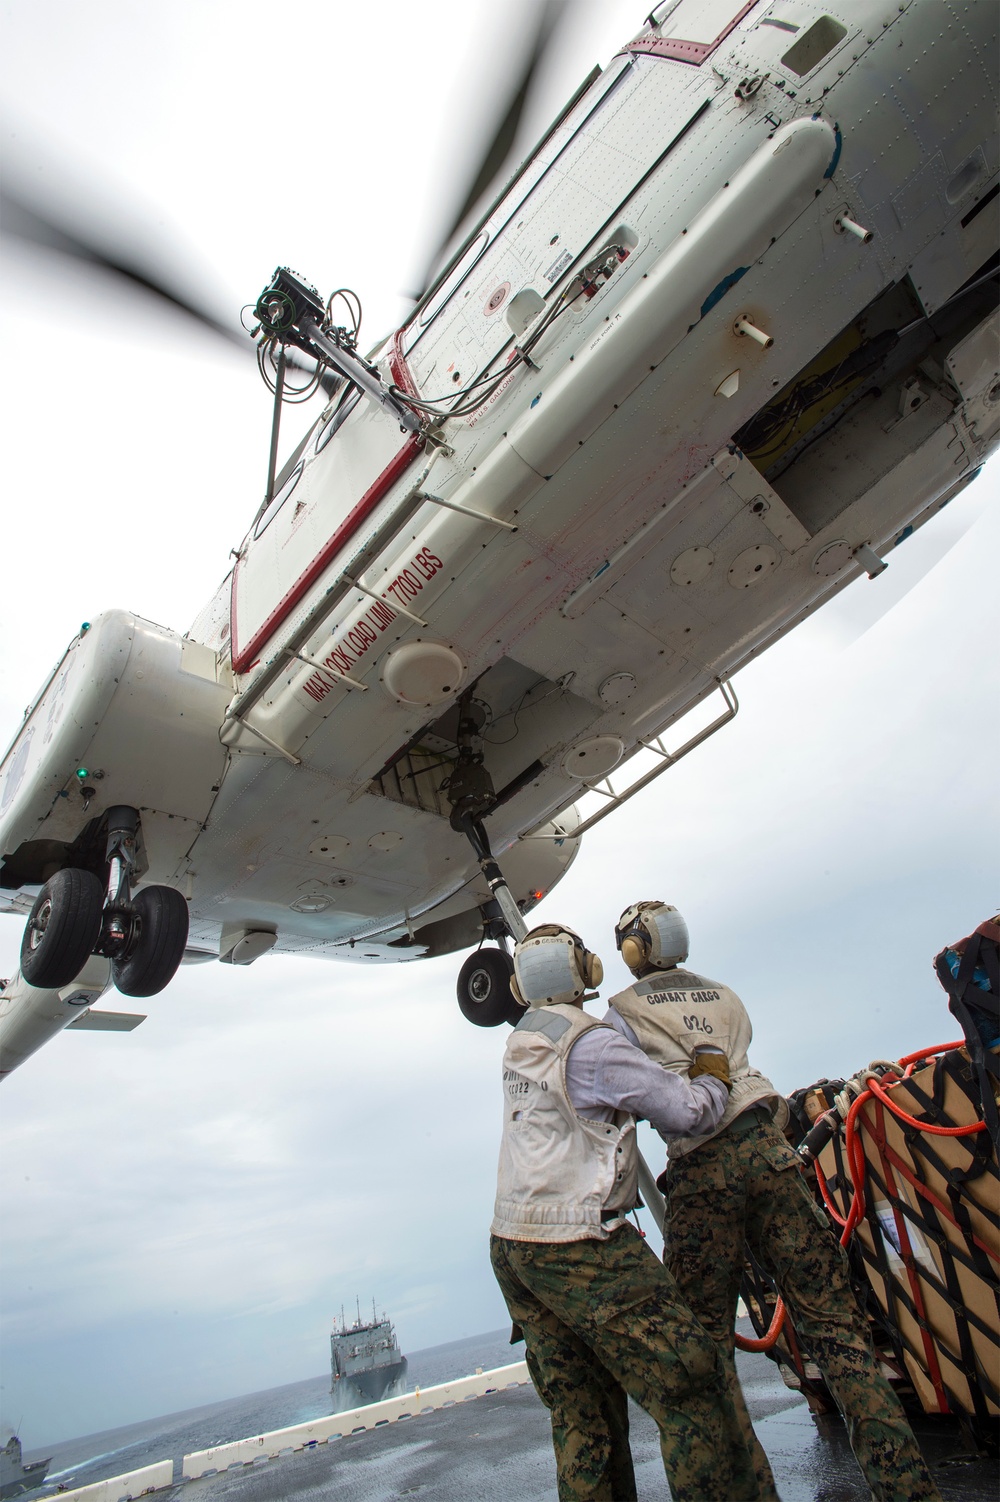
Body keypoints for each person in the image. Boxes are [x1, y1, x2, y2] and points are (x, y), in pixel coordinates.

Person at [607, 900, 943, 1502]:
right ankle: (908, 1489)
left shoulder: (623, 1011)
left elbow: (624, 1086)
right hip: (770, 1153)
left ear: (634, 951)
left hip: (702, 1167)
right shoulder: (725, 996)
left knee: (701, 1352)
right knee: (840, 1332)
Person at [489, 922, 761, 1502]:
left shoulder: (522, 1041)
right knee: (692, 1382)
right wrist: (712, 1073)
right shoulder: (593, 1044)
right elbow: (687, 1113)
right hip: (579, 1246)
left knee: (583, 1413)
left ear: (519, 986)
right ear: (584, 972)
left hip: (513, 1244)